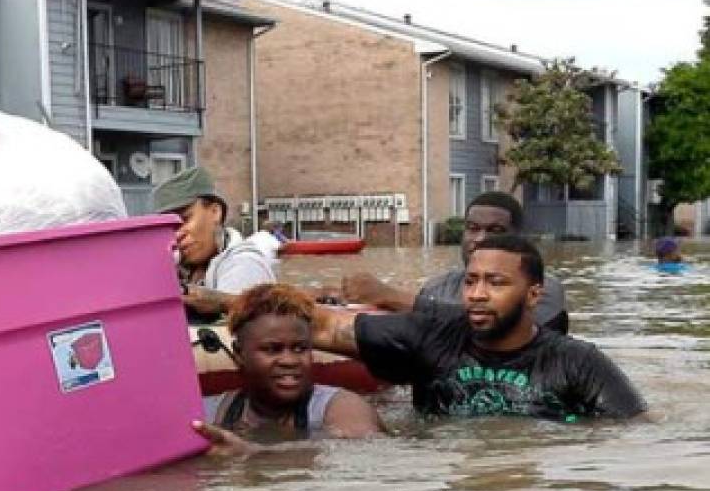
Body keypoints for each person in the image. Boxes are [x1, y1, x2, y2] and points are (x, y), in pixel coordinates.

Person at [308, 234, 645, 421]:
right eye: (470, 282)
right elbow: (321, 328)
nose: (477, 295)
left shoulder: (577, 362)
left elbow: (635, 431)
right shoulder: (429, 335)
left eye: (495, 283)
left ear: (532, 296)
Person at [192, 284, 383, 455]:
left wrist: (254, 453)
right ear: (239, 354)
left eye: (299, 348)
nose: (290, 361)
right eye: (272, 349)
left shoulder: (343, 408)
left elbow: (364, 450)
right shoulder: (210, 414)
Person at [341, 191, 569, 333]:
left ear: (519, 237)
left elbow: (499, 327)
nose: (479, 239)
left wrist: (390, 295)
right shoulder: (436, 287)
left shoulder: (543, 288)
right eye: (472, 228)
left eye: (495, 230)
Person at [152, 167, 274, 320]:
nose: (177, 234)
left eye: (184, 219)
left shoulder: (244, 264)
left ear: (215, 212)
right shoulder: (177, 266)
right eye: (168, 227)